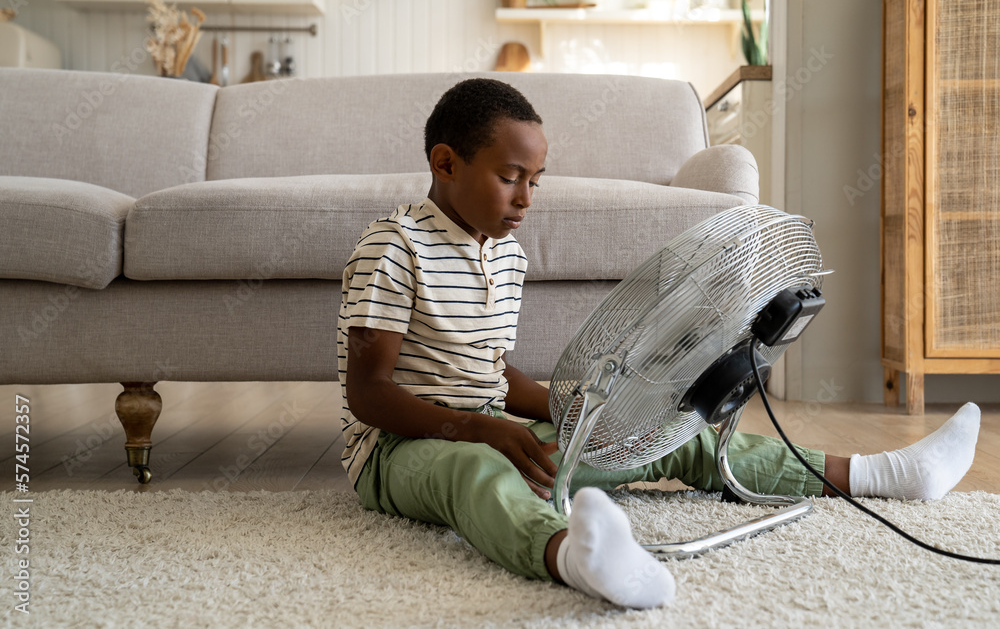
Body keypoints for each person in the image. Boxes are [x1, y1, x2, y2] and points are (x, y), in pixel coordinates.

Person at [337, 77, 981, 609]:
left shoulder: (505, 254)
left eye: (536, 179)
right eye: (511, 177)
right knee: (476, 472)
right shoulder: (394, 249)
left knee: (662, 433)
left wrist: (584, 411)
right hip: (397, 449)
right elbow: (369, 396)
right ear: (446, 163)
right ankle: (573, 559)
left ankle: (883, 473)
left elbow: (494, 375)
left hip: (484, 422)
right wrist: (478, 433)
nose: (527, 197)